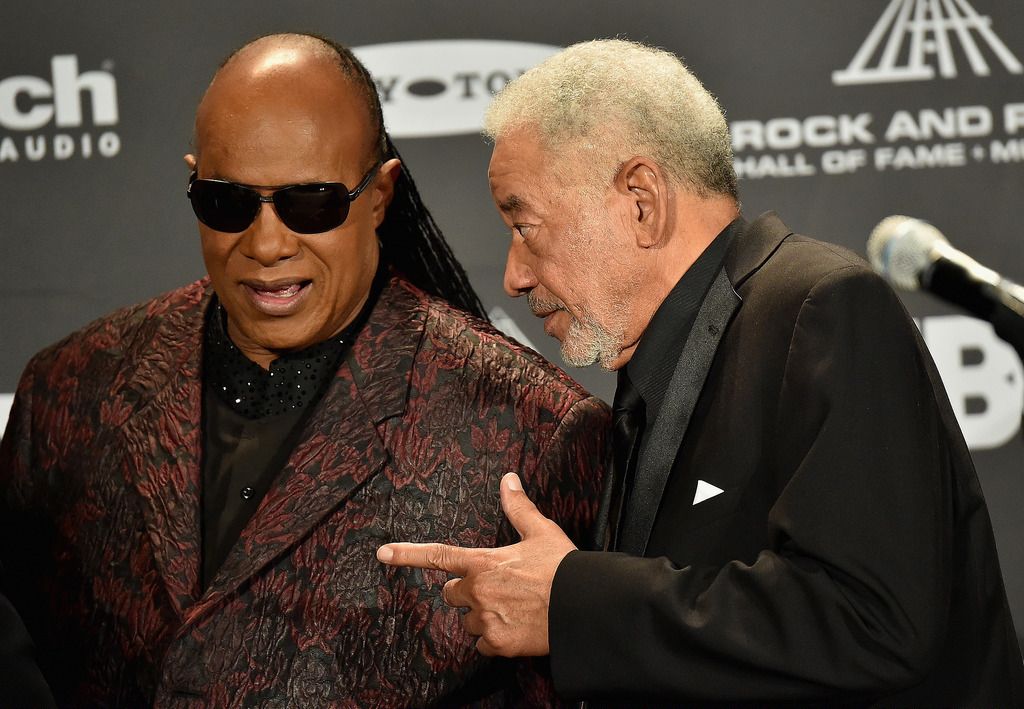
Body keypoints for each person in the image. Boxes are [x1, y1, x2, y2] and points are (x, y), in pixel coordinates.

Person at [377, 39, 1024, 705]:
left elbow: (873, 620)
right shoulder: (659, 363)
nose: (512, 276)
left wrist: (573, 600)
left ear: (641, 200)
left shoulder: (819, 308)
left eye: (526, 224)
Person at [0, 33, 608, 707]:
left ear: (379, 195)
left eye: (309, 204)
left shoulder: (529, 431)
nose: (265, 244)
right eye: (228, 202)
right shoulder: (68, 390)